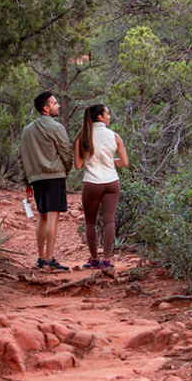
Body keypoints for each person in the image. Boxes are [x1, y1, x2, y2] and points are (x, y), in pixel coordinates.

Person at [19, 91, 73, 271]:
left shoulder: (27, 130)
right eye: (55, 103)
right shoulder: (56, 127)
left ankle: (41, 259)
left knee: (41, 216)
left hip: (35, 179)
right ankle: (50, 260)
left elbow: (22, 158)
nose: (58, 106)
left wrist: (26, 182)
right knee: (53, 218)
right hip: (54, 176)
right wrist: (66, 171)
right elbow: (66, 152)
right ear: (46, 108)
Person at [74, 104, 128, 269]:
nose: (109, 116)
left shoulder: (81, 137)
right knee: (109, 220)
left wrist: (93, 161)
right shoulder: (114, 136)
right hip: (112, 182)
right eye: (107, 113)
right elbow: (124, 163)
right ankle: (107, 260)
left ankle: (94, 259)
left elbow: (77, 165)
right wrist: (108, 162)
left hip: (92, 183)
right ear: (100, 117)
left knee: (90, 222)